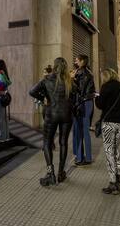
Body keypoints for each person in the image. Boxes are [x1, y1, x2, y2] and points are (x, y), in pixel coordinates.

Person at [29, 57, 76, 186]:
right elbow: (75, 96)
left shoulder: (47, 79)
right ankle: (61, 173)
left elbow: (32, 91)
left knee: (47, 142)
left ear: (54, 66)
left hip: (51, 114)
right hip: (66, 115)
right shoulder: (69, 81)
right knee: (63, 143)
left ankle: (51, 173)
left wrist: (44, 98)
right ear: (65, 67)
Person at [95, 68, 120, 195]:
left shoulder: (106, 87)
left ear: (106, 76)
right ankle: (119, 174)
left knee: (109, 151)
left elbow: (100, 105)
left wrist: (97, 97)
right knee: (115, 148)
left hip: (109, 123)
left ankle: (113, 182)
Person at [72, 55, 95, 166]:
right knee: (83, 131)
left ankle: (82, 158)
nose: (75, 61)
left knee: (82, 131)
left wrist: (72, 80)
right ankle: (85, 157)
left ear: (82, 61)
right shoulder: (85, 72)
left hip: (84, 103)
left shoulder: (84, 74)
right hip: (85, 103)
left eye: (77, 59)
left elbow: (80, 91)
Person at [0, 59, 12, 141]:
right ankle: (6, 135)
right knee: (4, 117)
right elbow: (9, 82)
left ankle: (0, 136)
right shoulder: (4, 73)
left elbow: (1, 83)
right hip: (4, 95)